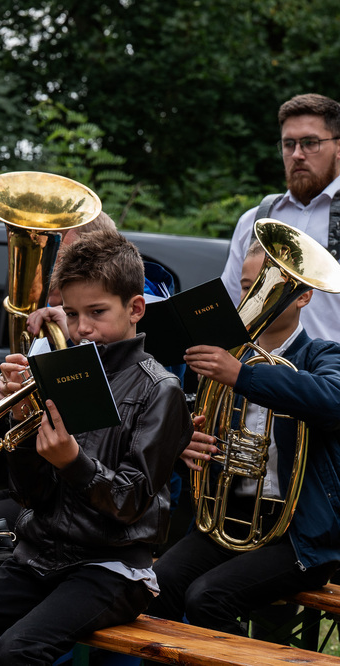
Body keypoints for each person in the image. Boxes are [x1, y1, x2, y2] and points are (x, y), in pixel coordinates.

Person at [0, 229, 192, 666]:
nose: (82, 329)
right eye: (72, 314)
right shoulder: (59, 371)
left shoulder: (160, 389)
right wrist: (20, 426)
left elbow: (131, 501)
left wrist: (73, 463)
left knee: (17, 650)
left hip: (112, 569)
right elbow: (29, 495)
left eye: (97, 312)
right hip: (39, 555)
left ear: (135, 309)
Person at [147, 241, 340, 634]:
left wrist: (242, 376)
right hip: (229, 517)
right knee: (157, 586)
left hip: (297, 536)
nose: (250, 298)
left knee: (208, 598)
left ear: (304, 296)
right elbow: (190, 427)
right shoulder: (224, 360)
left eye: (264, 288)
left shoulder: (323, 355)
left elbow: (332, 400)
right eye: (246, 286)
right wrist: (186, 441)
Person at [221, 93, 340, 342]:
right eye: (289, 144)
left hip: (331, 377)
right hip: (256, 374)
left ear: (338, 147)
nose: (297, 154)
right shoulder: (254, 220)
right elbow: (229, 312)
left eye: (310, 143)